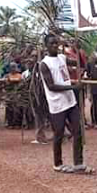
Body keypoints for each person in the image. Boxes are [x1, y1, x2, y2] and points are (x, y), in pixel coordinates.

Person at [40, 33, 87, 173]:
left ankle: (78, 163)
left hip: (70, 101)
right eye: (52, 44)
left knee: (78, 130)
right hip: (57, 104)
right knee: (59, 133)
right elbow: (51, 86)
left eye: (56, 43)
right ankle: (58, 163)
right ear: (46, 46)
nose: (55, 46)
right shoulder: (44, 64)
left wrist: (78, 51)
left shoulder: (62, 58)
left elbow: (81, 64)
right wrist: (73, 87)